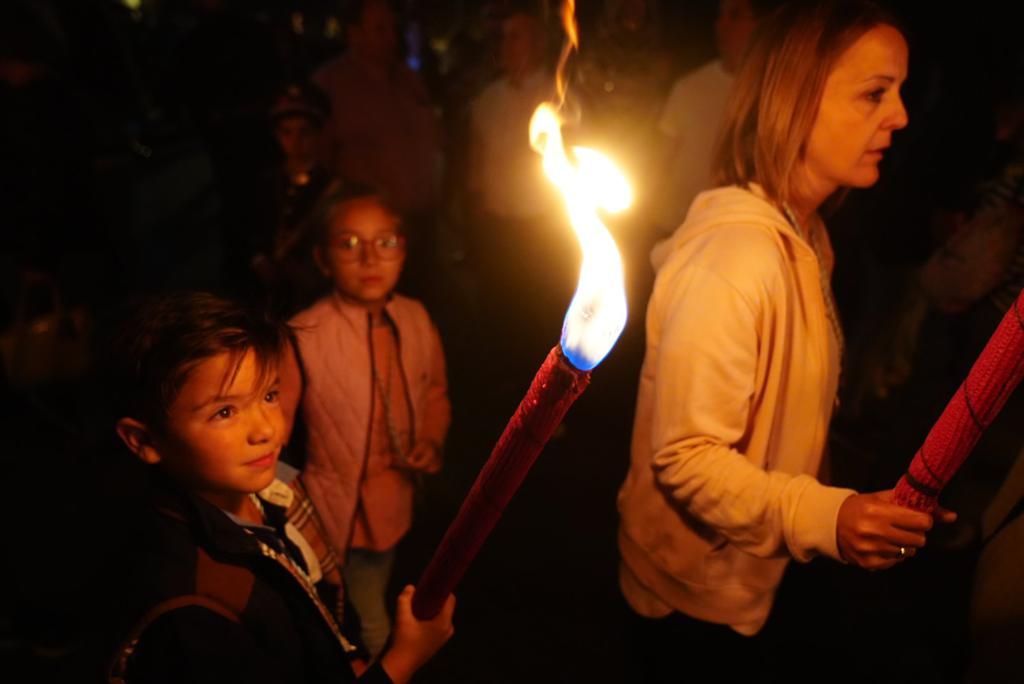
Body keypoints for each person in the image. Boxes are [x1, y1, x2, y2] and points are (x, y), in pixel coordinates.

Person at [616, 1, 955, 679]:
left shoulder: (808, 235)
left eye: (899, 92)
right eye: (873, 94)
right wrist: (829, 516)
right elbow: (686, 457)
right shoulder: (737, 258)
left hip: (758, 570)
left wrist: (847, 507)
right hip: (697, 601)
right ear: (794, 98)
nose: (899, 117)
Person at [105, 291, 455, 683]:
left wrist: (353, 655)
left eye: (269, 395)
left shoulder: (276, 480)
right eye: (225, 412)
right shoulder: (192, 608)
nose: (267, 430)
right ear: (144, 441)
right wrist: (400, 662)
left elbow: (322, 592)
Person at [290, 183, 451, 659]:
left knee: (375, 585)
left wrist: (431, 441)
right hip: (332, 508)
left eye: (385, 242)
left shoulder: (416, 318)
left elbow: (436, 391)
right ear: (322, 259)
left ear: (404, 250)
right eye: (349, 244)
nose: (369, 259)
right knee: (366, 615)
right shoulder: (305, 334)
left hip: (393, 500)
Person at [649, 0, 775, 235]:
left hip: (734, 230)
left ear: (761, 24)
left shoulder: (775, 95)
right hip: (674, 228)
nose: (722, 25)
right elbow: (659, 158)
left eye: (735, 16)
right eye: (720, 16)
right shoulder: (689, 87)